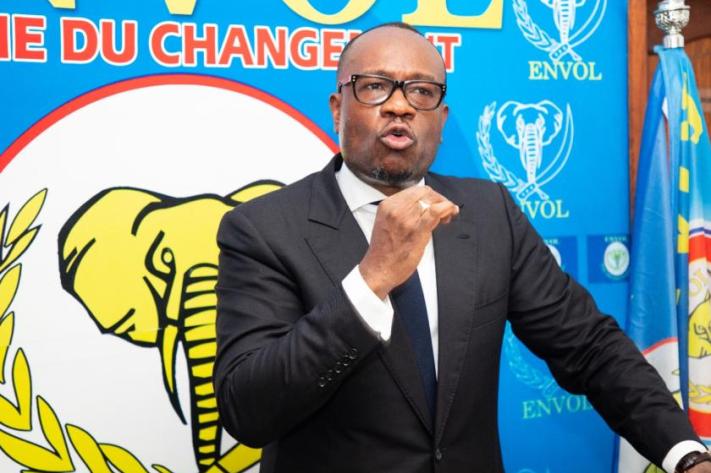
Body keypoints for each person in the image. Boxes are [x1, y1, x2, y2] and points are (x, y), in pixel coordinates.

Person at [214, 22, 710, 473]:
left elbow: (590, 347)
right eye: (375, 86)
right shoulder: (262, 230)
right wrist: (370, 281)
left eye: (422, 91)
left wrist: (685, 453)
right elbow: (247, 409)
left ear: (442, 117)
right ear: (338, 107)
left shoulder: (488, 212)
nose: (400, 105)